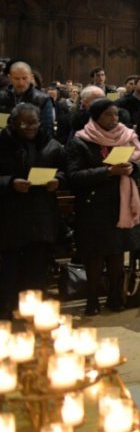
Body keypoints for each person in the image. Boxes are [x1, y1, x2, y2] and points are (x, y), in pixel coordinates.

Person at [65, 98, 140, 315]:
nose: (114, 119)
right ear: (96, 117)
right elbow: (73, 176)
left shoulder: (126, 136)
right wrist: (107, 172)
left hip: (121, 203)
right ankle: (92, 299)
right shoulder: (81, 141)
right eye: (108, 115)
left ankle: (115, 296)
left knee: (117, 252)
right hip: (94, 205)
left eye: (116, 115)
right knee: (95, 254)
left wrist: (132, 167)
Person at [0, 103, 67, 316]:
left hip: (41, 215)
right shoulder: (2, 144)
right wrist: (9, 183)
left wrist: (58, 180)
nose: (30, 127)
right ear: (12, 123)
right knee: (9, 266)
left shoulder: (51, 145)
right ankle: (7, 308)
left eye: (34, 122)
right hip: (9, 215)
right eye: (24, 123)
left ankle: (34, 310)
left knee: (37, 265)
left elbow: (66, 171)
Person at [0, 61, 56, 132]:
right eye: (16, 79)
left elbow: (47, 131)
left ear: (31, 78)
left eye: (24, 78)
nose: (21, 83)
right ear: (9, 78)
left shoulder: (43, 99)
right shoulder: (1, 97)